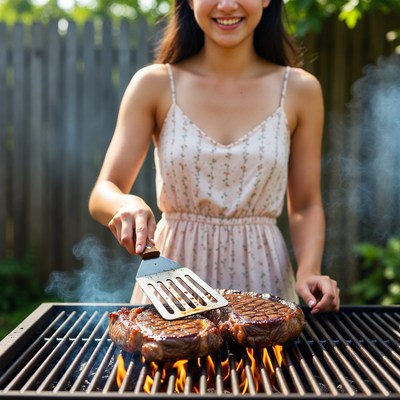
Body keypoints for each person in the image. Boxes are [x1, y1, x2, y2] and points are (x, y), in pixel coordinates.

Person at [89, 0, 340, 313]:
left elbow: (305, 204)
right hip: (172, 282)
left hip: (264, 281)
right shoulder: (153, 84)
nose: (226, 4)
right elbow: (104, 190)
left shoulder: (301, 90)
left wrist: (309, 270)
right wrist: (126, 203)